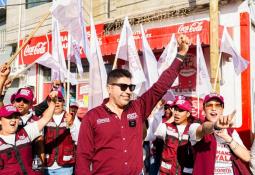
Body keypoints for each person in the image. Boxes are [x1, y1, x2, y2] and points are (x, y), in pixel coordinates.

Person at [76, 35, 191, 175]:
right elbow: (83, 158)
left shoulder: (138, 107)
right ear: (109, 88)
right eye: (123, 87)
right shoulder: (92, 117)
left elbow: (161, 86)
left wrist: (181, 54)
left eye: (131, 87)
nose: (128, 91)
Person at [189, 92, 250, 175]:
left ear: (222, 109)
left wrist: (228, 138)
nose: (213, 108)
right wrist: (215, 126)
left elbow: (247, 157)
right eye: (209, 105)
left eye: (217, 105)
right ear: (204, 109)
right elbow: (204, 128)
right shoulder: (195, 127)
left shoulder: (231, 132)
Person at [0, 91, 57, 174]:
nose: (13, 120)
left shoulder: (26, 132)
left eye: (16, 117)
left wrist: (53, 101)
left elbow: (45, 118)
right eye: (9, 117)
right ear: (0, 121)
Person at [155, 97, 194, 175]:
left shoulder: (193, 129)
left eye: (181, 110)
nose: (177, 113)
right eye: (175, 109)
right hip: (166, 172)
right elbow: (157, 132)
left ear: (188, 114)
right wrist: (172, 117)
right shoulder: (165, 127)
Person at [44, 91, 79, 175]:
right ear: (49, 103)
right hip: (46, 166)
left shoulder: (72, 117)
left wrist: (71, 124)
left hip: (65, 167)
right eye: (53, 101)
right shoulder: (44, 117)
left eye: (59, 100)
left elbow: (78, 139)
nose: (56, 103)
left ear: (63, 102)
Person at [13, 87, 45, 171]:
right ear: (14, 102)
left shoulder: (36, 121)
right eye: (18, 100)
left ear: (31, 104)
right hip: (12, 165)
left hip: (30, 165)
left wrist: (41, 168)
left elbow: (40, 146)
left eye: (25, 101)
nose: (21, 103)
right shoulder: (9, 119)